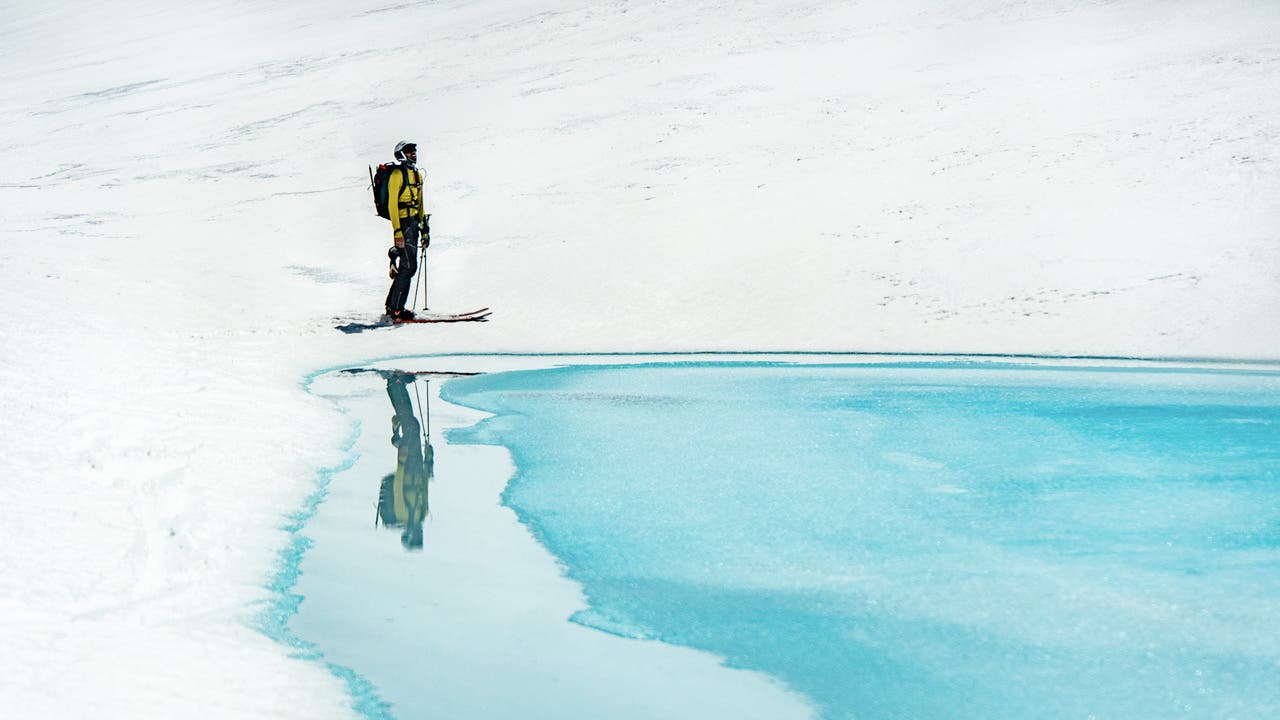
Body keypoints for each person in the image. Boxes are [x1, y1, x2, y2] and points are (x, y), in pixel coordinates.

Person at [379, 372, 433, 550]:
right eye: (420, 535)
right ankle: (398, 386)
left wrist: (402, 460)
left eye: (416, 536)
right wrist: (429, 461)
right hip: (417, 465)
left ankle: (395, 384)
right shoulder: (422, 515)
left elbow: (399, 487)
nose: (419, 532)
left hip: (408, 465)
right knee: (412, 425)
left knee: (412, 426)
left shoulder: (404, 515)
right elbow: (424, 489)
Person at [384, 140, 428, 320]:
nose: (413, 153)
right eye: (409, 151)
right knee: (409, 267)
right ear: (401, 154)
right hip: (403, 223)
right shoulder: (397, 174)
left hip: (413, 224)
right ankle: (396, 309)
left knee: (407, 267)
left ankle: (392, 306)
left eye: (414, 150)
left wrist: (425, 229)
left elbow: (420, 203)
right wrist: (397, 232)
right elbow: (392, 205)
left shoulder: (416, 175)